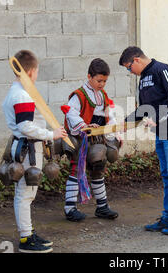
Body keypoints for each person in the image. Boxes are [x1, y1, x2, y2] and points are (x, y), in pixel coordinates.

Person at [119, 46, 168, 235]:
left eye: (129, 68)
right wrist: (125, 122)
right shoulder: (143, 79)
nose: (130, 72)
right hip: (161, 131)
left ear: (136, 60)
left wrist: (158, 118)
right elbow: (144, 108)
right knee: (167, 175)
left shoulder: (163, 70)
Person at [2, 50, 68, 253]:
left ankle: (28, 233)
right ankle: (25, 239)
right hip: (28, 148)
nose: (37, 74)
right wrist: (51, 134)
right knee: (25, 194)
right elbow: (25, 127)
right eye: (37, 70)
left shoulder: (18, 91)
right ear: (30, 71)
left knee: (26, 193)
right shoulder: (21, 95)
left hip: (26, 146)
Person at [62, 58, 121, 222]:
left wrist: (113, 131)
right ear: (89, 76)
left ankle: (102, 207)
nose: (102, 84)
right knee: (76, 170)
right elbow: (71, 113)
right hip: (80, 139)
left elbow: (109, 115)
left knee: (98, 169)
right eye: (99, 80)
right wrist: (85, 126)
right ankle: (70, 208)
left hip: (97, 140)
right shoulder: (78, 95)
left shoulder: (103, 95)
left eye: (105, 81)